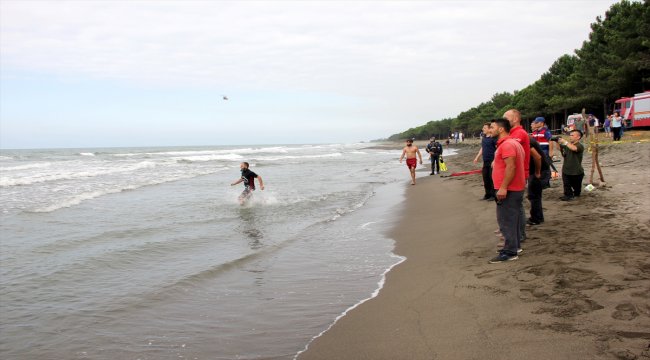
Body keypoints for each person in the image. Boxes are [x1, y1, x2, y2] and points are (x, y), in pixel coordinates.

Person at [489, 118, 526, 263]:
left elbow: (511, 167)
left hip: (509, 189)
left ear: (501, 129)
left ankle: (510, 252)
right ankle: (514, 247)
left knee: (506, 220)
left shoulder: (508, 145)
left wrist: (503, 187)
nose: (489, 130)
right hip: (514, 188)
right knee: (513, 219)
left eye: (492, 127)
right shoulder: (512, 143)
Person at [527, 136, 550, 225]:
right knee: (534, 195)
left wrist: (537, 172)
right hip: (538, 170)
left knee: (534, 195)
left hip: (540, 171)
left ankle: (536, 218)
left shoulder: (526, 141)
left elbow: (537, 157)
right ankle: (537, 217)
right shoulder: (527, 139)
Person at [558, 130, 585, 201]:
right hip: (566, 169)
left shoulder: (580, 146)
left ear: (578, 137)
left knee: (577, 190)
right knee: (566, 185)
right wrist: (558, 143)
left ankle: (575, 193)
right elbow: (563, 153)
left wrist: (565, 142)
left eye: (572, 135)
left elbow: (574, 148)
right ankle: (568, 195)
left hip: (576, 171)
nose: (570, 136)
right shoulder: (568, 145)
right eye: (570, 135)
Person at [473, 122, 497, 200]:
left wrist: (495, 160)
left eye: (485, 128)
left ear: (490, 129)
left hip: (492, 161)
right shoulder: (484, 138)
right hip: (485, 161)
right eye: (483, 128)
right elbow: (482, 148)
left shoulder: (493, 138)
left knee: (491, 178)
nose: (483, 129)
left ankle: (493, 195)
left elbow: (498, 149)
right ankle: (487, 194)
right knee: (485, 178)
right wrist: (477, 157)